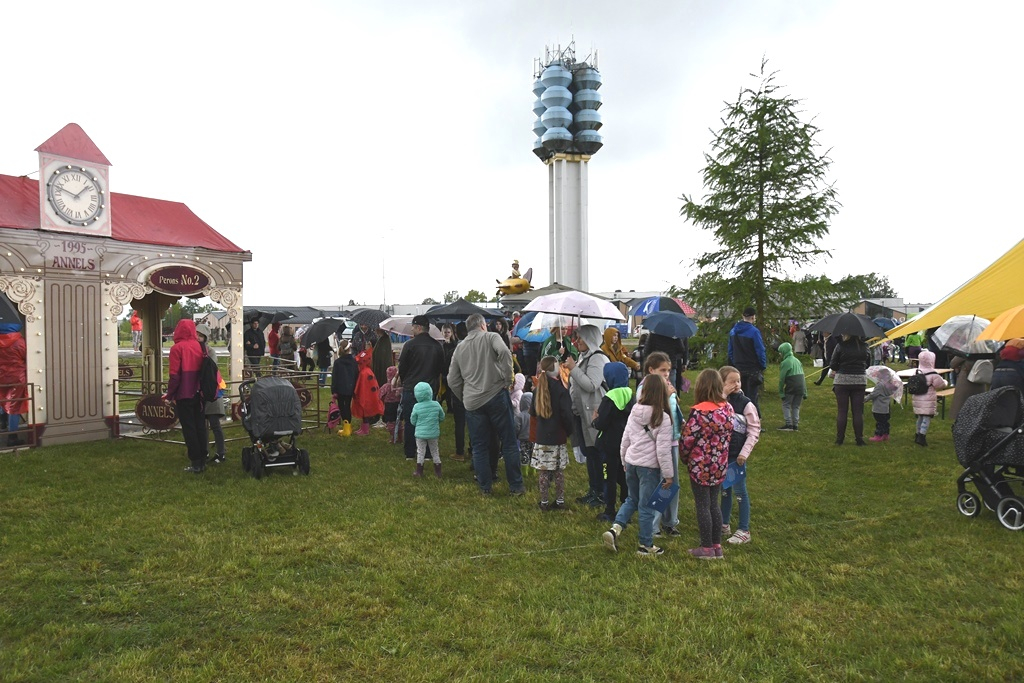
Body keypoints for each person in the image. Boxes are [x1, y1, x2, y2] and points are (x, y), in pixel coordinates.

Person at [447, 313, 525, 495]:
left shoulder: (460, 348)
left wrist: (464, 396)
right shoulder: (492, 337)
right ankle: (516, 486)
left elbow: (452, 379)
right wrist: (508, 378)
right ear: (483, 325)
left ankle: (485, 487)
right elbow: (506, 352)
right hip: (496, 394)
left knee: (479, 446)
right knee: (508, 441)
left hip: (473, 403)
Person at [600, 370, 675, 558]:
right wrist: (668, 475)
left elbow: (625, 437)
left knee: (631, 499)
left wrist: (624, 458)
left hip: (632, 462)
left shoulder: (635, 410)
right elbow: (663, 450)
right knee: (646, 506)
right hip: (649, 468)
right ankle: (645, 544)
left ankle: (615, 529)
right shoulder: (663, 418)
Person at [681, 369, 734, 559]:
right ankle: (717, 545)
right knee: (714, 504)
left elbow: (687, 440)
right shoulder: (727, 409)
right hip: (719, 465)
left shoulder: (699, 413)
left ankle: (706, 547)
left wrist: (684, 457)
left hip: (700, 466)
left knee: (703, 506)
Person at [639, 352, 685, 538]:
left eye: (669, 370)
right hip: (656, 442)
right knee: (660, 482)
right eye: (662, 370)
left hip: (672, 439)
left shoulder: (666, 385)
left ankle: (670, 521)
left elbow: (672, 408)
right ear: (651, 370)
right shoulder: (645, 388)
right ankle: (653, 525)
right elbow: (646, 415)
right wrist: (666, 396)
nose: (667, 374)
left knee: (672, 482)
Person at [566, 325, 609, 508]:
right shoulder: (583, 356)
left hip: (593, 411)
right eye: (576, 338)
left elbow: (591, 384)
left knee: (596, 453)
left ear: (590, 339)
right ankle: (593, 489)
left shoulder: (597, 358)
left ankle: (601, 493)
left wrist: (574, 369)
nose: (577, 342)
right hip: (581, 412)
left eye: (581, 338)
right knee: (589, 452)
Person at [719, 366, 760, 545]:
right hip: (721, 455)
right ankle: (723, 523)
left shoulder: (746, 404)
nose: (736, 384)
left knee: (739, 492)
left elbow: (754, 430)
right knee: (724, 491)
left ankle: (744, 529)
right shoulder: (718, 402)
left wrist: (744, 453)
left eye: (738, 381)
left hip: (737, 457)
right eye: (732, 381)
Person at [530, 356, 576, 510]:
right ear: (554, 368)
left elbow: (533, 412)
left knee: (543, 472)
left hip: (542, 436)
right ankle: (560, 501)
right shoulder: (560, 390)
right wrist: (570, 431)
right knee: (558, 472)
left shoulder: (538, 389)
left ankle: (543, 502)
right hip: (557, 436)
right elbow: (567, 415)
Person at [592, 361, 635, 522]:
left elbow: (602, 422)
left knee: (608, 478)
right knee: (624, 478)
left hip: (608, 445)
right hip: (625, 444)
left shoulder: (609, 398)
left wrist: (594, 420)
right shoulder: (631, 395)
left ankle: (610, 510)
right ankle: (626, 509)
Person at [398, 315, 445, 461]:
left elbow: (402, 368)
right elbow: (441, 369)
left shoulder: (409, 345)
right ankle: (429, 453)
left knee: (412, 420)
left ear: (418, 327)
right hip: (429, 389)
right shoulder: (437, 346)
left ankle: (411, 452)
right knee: (429, 421)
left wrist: (404, 380)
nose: (411, 329)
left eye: (413, 326)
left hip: (411, 388)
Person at [163, 319, 208, 473]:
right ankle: (203, 458)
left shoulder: (177, 348)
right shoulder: (200, 346)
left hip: (184, 394)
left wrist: (169, 395)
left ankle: (195, 462)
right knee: (200, 426)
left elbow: (175, 376)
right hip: (199, 393)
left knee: (189, 428)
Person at [829, 334, 871, 446]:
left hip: (842, 381)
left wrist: (840, 366)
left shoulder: (840, 346)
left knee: (842, 411)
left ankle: (840, 439)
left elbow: (833, 364)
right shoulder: (865, 346)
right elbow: (867, 365)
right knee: (858, 411)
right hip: (859, 381)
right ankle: (859, 439)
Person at [195, 324, 226, 463]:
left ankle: (221, 452)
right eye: (196, 335)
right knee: (202, 425)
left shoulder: (210, 352)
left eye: (200, 336)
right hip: (200, 392)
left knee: (214, 424)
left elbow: (209, 370)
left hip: (211, 391)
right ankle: (204, 451)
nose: (197, 338)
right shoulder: (195, 350)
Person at [727, 306, 767, 410]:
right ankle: (754, 423)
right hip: (752, 368)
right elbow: (760, 350)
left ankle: (739, 420)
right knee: (752, 398)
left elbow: (730, 350)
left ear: (742, 316)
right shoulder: (754, 332)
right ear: (753, 317)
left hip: (738, 368)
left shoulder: (733, 331)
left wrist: (735, 362)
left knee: (738, 396)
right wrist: (762, 365)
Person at [440, 323, 467, 461]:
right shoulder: (477, 348)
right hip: (472, 389)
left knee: (460, 422)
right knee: (473, 421)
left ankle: (460, 452)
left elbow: (449, 373)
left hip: (459, 389)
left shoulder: (455, 350)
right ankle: (472, 450)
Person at [911, 350, 948, 447]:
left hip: (918, 399)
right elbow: (940, 385)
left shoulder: (917, 372)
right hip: (928, 399)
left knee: (920, 417)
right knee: (926, 418)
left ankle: (917, 433)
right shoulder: (933, 374)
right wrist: (945, 381)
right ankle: (922, 436)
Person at [0, 322, 29, 446]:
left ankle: (2, 424)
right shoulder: (20, 341)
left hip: (1, 376)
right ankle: (12, 437)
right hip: (17, 377)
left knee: (1, 400)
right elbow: (27, 357)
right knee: (15, 406)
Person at [410, 381, 445, 478]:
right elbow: (442, 417)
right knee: (435, 451)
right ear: (430, 392)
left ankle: (419, 471)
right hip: (433, 433)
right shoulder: (436, 404)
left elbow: (413, 421)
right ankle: (438, 472)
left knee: (420, 452)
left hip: (420, 434)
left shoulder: (416, 407)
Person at [352, 348, 384, 436]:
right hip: (366, 395)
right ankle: (363, 427)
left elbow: (363, 386)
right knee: (364, 412)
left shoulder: (364, 373)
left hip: (366, 396)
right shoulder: (365, 371)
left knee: (365, 411)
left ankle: (365, 429)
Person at [331, 339, 358, 437]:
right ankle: (348, 427)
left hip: (340, 388)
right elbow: (356, 374)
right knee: (348, 407)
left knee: (342, 407)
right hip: (350, 388)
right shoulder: (354, 361)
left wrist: (333, 390)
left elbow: (335, 377)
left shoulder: (338, 362)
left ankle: (346, 428)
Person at [777, 342, 807, 431]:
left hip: (791, 386)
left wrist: (781, 392)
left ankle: (788, 424)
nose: (780, 354)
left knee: (786, 404)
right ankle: (795, 425)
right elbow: (803, 377)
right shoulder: (797, 361)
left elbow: (782, 379)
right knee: (796, 406)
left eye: (780, 352)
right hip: (801, 387)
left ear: (784, 351)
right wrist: (805, 391)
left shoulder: (785, 362)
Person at [949, 355, 988, 422]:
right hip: (981, 379)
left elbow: (953, 363)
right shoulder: (986, 350)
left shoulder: (966, 350)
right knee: (978, 405)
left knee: (962, 405)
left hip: (966, 379)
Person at [865, 374, 895, 442]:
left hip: (879, 407)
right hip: (886, 407)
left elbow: (873, 394)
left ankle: (878, 435)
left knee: (879, 422)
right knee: (885, 421)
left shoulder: (880, 385)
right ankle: (885, 434)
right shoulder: (890, 385)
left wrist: (865, 399)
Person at [378, 366, 403, 441]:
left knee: (390, 423)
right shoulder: (401, 386)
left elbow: (380, 395)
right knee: (399, 421)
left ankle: (393, 437)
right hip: (399, 405)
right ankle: (400, 437)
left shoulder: (386, 386)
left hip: (389, 406)